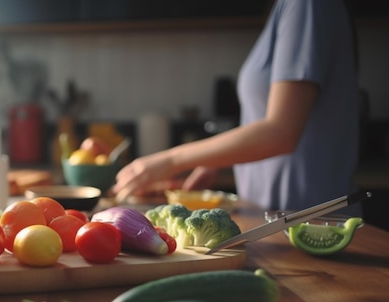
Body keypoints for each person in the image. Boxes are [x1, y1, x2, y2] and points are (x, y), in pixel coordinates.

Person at [113, 0, 361, 215]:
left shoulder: (309, 5)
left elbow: (282, 132)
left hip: (312, 223)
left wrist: (171, 159)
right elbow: (267, 119)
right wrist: (216, 161)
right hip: (276, 220)